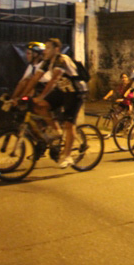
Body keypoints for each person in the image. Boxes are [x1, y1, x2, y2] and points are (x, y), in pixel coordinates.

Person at [27, 38, 88, 168]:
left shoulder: (61, 59)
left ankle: (67, 156)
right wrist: (20, 97)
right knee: (40, 106)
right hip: (62, 91)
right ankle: (56, 131)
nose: (45, 51)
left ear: (56, 49)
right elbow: (34, 78)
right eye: (45, 48)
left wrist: (42, 96)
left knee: (69, 124)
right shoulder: (46, 62)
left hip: (75, 92)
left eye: (48, 48)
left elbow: (54, 79)